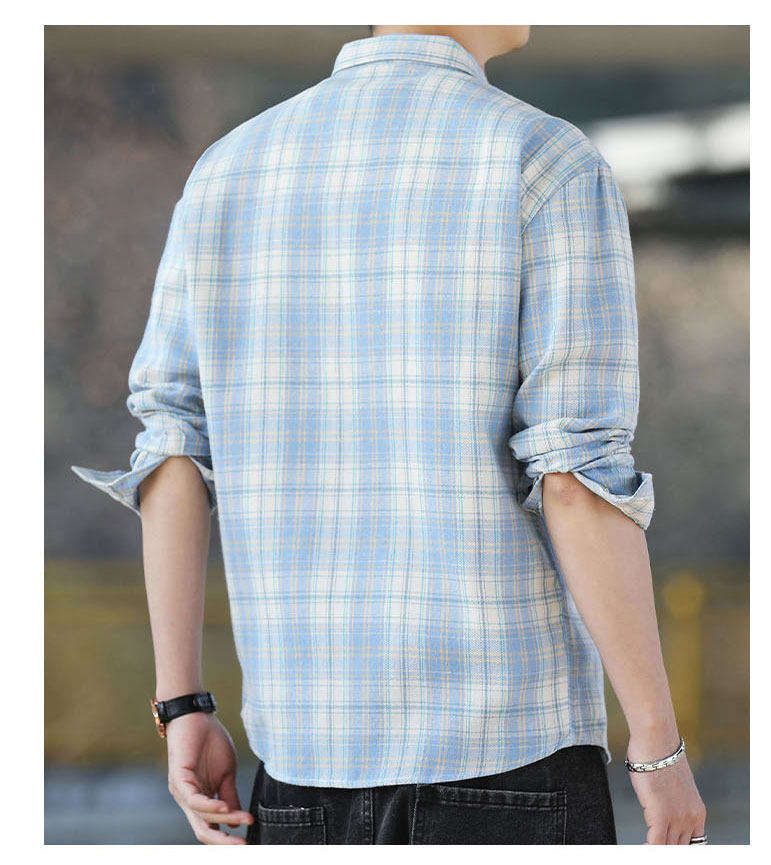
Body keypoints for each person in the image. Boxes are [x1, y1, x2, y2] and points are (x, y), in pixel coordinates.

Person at [71, 25, 708, 845]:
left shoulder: (227, 170)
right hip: (509, 752)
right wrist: (658, 744)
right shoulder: (544, 160)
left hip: (300, 763)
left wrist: (184, 702)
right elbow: (574, 476)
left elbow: (171, 448)